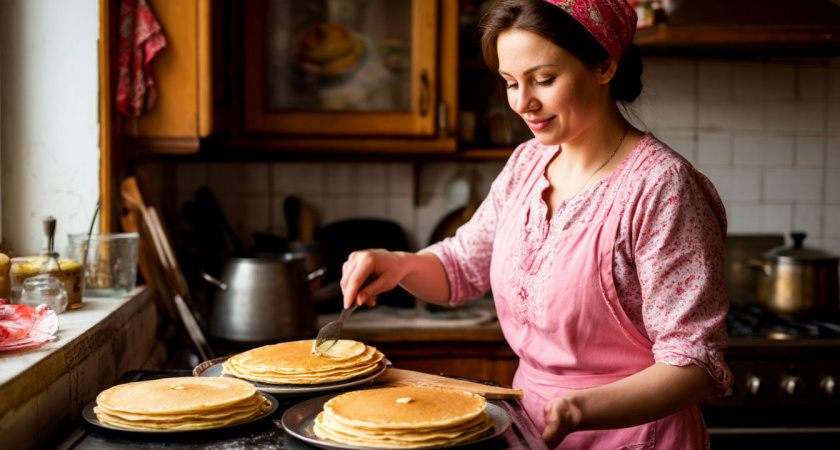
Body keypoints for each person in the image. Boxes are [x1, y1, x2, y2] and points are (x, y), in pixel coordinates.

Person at [339, 0, 732, 447]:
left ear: (604, 67)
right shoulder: (528, 163)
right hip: (533, 425)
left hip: (637, 434)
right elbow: (460, 268)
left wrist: (578, 407)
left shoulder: (662, 186)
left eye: (544, 80)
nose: (523, 103)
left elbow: (695, 364)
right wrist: (398, 265)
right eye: (510, 83)